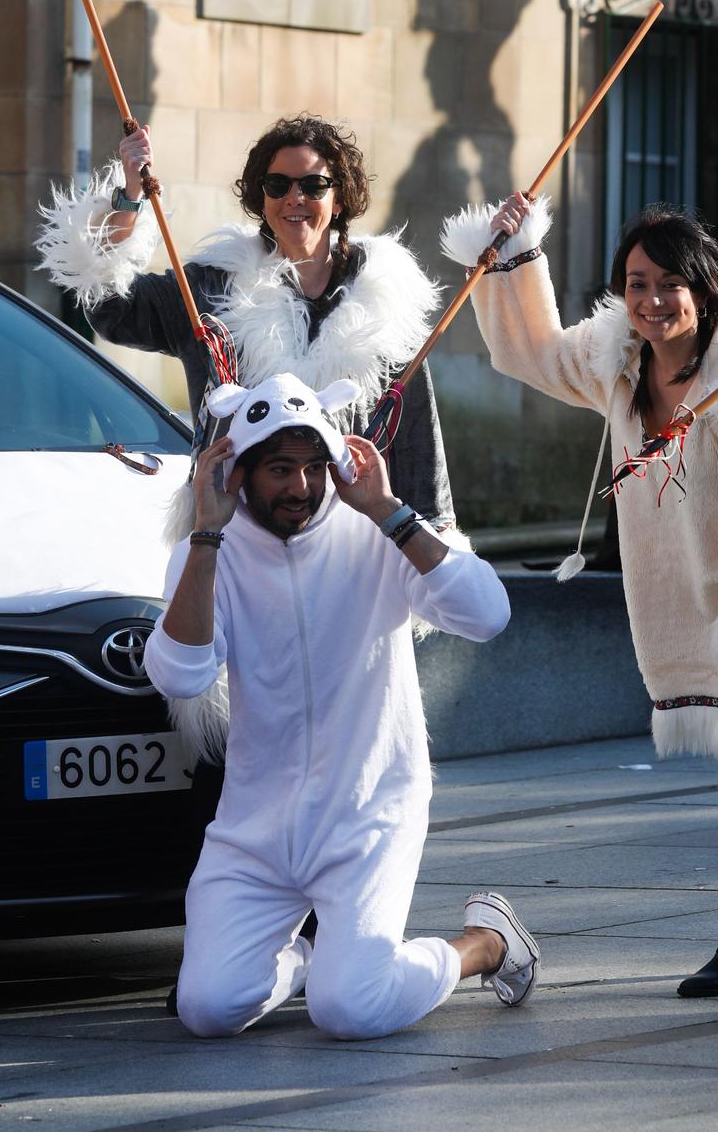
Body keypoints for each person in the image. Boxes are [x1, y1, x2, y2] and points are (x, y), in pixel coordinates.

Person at [443, 193, 718, 996]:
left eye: (669, 284)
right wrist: (509, 254)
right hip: (688, 587)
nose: (651, 302)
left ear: (705, 284)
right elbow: (533, 353)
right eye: (636, 282)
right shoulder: (617, 355)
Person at [38, 113, 460, 760]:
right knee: (243, 727)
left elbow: (415, 441)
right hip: (235, 541)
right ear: (259, 198)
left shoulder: (388, 306)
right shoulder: (210, 286)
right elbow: (108, 304)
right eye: (277, 184)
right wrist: (127, 196)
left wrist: (426, 540)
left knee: (346, 723)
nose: (295, 199)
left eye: (313, 185)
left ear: (339, 195)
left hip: (345, 550)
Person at [143, 371, 539, 1038]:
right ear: (238, 473)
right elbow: (180, 677)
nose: (299, 487)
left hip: (367, 816)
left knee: (350, 1009)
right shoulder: (209, 550)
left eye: (310, 466)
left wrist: (386, 510)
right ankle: (303, 963)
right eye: (277, 469)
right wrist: (206, 536)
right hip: (254, 827)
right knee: (207, 1009)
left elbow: (487, 614)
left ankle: (486, 945)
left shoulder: (375, 533)